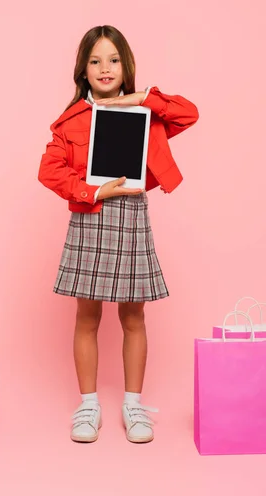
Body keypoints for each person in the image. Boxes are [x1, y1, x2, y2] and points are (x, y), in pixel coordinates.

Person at [38, 25, 199, 443]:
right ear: (83, 69)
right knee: (87, 314)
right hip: (91, 214)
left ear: (126, 66)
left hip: (131, 214)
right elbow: (49, 170)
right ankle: (88, 406)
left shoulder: (147, 113)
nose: (104, 68)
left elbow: (189, 113)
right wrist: (92, 190)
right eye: (95, 61)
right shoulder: (72, 119)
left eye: (113, 60)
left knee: (134, 314)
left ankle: (133, 404)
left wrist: (142, 98)